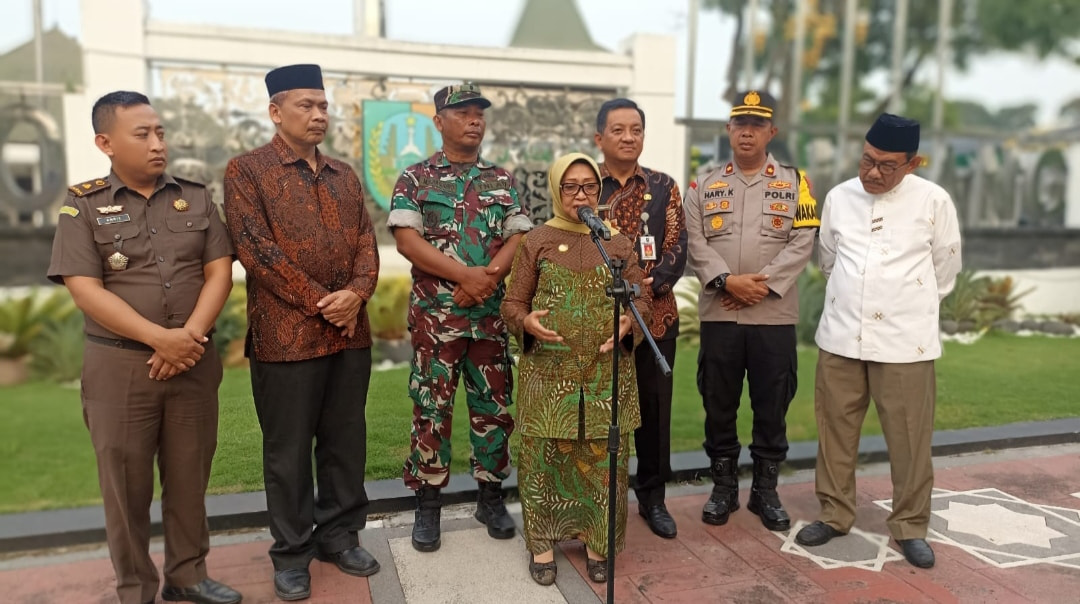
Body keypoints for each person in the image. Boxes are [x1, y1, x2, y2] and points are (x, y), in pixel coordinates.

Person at [47, 91, 240, 604]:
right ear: (104, 143)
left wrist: (189, 338)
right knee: (125, 489)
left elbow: (218, 271)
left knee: (189, 477)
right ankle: (135, 588)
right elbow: (84, 288)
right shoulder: (82, 204)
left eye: (160, 132)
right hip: (121, 369)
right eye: (143, 134)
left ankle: (187, 576)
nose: (158, 144)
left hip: (193, 362)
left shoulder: (196, 196)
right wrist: (160, 339)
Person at [223, 64, 380, 601]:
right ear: (275, 111)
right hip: (285, 338)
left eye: (323, 106)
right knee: (287, 452)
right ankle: (292, 553)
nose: (318, 115)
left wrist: (357, 294)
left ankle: (340, 535)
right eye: (306, 106)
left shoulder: (344, 174)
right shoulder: (247, 172)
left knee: (344, 442)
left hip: (348, 334)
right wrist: (323, 301)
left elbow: (366, 239)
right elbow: (256, 251)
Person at [795, 113, 962, 570]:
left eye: (886, 165)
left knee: (909, 439)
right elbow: (828, 258)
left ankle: (910, 526)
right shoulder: (838, 197)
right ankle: (834, 514)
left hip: (905, 344)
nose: (871, 172)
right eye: (867, 160)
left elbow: (945, 269)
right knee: (835, 433)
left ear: (913, 163)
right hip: (841, 336)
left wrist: (905, 302)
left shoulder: (933, 201)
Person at [388, 82, 532, 553]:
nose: (475, 120)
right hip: (437, 320)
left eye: (479, 113)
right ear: (439, 122)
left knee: (493, 410)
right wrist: (467, 278)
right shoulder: (415, 179)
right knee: (432, 408)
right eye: (463, 112)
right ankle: (428, 506)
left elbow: (518, 238)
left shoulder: (502, 179)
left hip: (488, 318)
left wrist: (487, 279)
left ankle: (490, 498)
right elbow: (408, 241)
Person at [502, 152, 649, 585]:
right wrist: (525, 322)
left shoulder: (617, 243)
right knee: (544, 463)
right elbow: (512, 302)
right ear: (556, 190)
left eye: (589, 186)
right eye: (571, 187)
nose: (581, 194)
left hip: (607, 376)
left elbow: (641, 297)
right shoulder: (537, 241)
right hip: (548, 378)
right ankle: (543, 546)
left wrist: (629, 322)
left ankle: (597, 544)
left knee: (603, 462)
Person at [684, 90, 819, 531]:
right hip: (721, 314)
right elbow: (695, 241)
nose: (747, 131)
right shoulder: (703, 185)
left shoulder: (797, 182)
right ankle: (723, 489)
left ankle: (766, 491)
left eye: (756, 124)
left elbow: (803, 241)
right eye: (739, 123)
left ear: (771, 132)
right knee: (718, 403)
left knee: (772, 404)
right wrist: (727, 281)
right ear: (728, 130)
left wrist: (760, 286)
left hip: (772, 316)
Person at [593, 98, 687, 539]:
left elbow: (677, 248)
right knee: (599, 414)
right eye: (618, 130)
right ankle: (598, 500)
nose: (628, 137)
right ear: (599, 138)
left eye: (636, 130)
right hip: (599, 322)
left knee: (653, 412)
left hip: (657, 321)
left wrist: (643, 291)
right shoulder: (586, 186)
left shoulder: (665, 185)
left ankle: (653, 498)